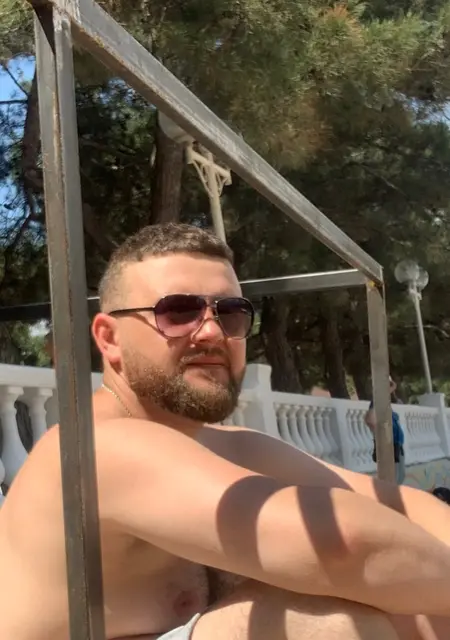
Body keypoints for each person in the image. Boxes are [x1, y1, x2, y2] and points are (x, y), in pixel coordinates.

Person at [2, 223, 450, 640]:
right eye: (178, 312)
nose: (212, 332)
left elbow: (406, 508)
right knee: (324, 624)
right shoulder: (96, 448)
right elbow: (344, 543)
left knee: (416, 607)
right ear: (109, 338)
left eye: (231, 313)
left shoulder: (231, 446)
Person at [365, 377, 406, 484]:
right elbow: (369, 420)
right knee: (392, 481)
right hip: (389, 448)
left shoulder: (385, 406)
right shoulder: (376, 403)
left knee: (399, 478)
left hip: (397, 447)